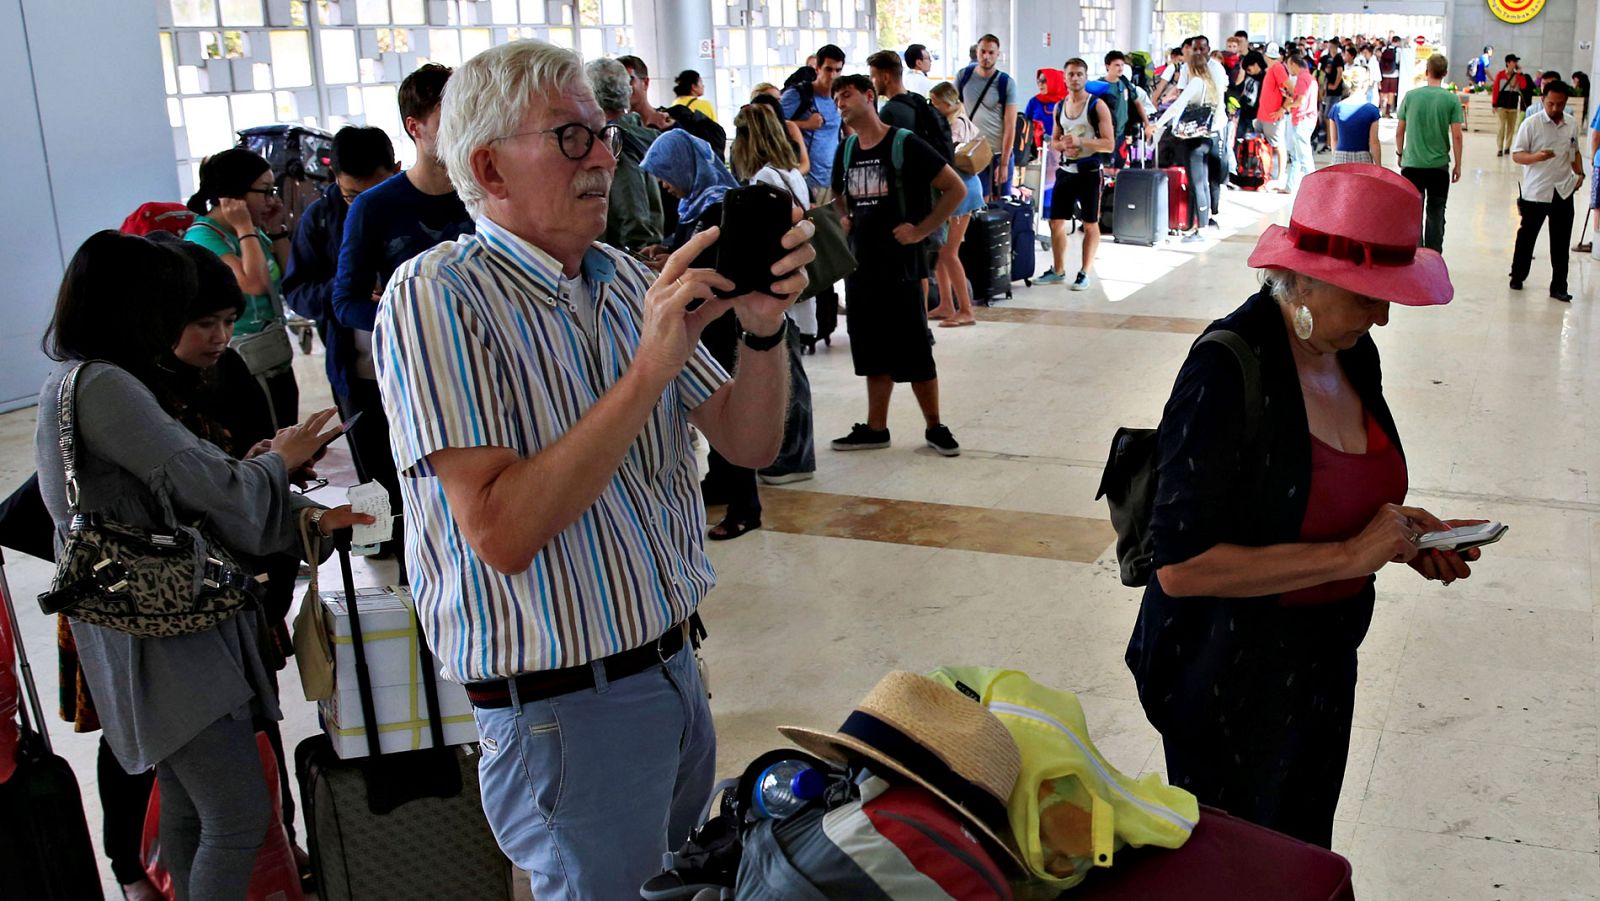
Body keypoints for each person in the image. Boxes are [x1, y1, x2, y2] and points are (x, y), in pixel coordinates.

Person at [372, 40, 812, 897]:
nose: (608, 155)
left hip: (673, 672)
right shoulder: (436, 296)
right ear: (488, 165)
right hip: (565, 711)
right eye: (573, 137)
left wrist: (761, 328)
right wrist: (647, 368)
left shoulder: (615, 279)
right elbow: (500, 530)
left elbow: (749, 444)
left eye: (606, 132)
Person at [1127, 163, 1476, 850]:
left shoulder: (1352, 353)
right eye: (1370, 296)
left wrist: (1400, 533)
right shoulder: (1226, 369)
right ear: (1305, 278)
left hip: (1321, 669)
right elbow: (1182, 566)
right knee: (1242, 870)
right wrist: (1349, 555)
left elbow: (1330, 486)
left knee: (1305, 851)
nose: (1382, 314)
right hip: (1227, 681)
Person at [35, 231, 370, 901]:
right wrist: (280, 456)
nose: (194, 325)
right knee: (238, 816)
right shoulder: (106, 386)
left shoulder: (76, 384)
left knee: (191, 813)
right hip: (168, 640)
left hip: (143, 634)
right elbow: (209, 485)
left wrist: (275, 483)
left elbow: (192, 484)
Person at [332, 63, 474, 557]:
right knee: (427, 522)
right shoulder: (373, 207)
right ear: (415, 126)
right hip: (413, 384)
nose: (463, 124)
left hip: (485, 376)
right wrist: (408, 313)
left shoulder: (487, 193)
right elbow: (345, 301)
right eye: (448, 116)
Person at [827, 74, 965, 456]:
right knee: (870, 347)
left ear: (870, 97)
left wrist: (922, 230)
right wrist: (844, 217)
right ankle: (876, 427)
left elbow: (956, 188)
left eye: (848, 94)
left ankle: (935, 425)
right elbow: (838, 194)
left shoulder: (904, 144)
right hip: (861, 265)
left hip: (901, 266)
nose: (840, 101)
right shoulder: (848, 149)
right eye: (836, 96)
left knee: (914, 345)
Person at [641, 130, 768, 539]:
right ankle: (720, 482)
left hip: (720, 325)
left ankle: (745, 507)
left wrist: (670, 271)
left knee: (727, 412)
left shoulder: (717, 208)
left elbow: (716, 268)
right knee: (708, 408)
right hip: (704, 326)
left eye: (666, 175)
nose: (664, 184)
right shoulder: (697, 205)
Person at [282, 126, 400, 450]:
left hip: (419, 369)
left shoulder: (417, 213)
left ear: (397, 170)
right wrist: (348, 286)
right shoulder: (319, 219)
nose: (364, 208)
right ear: (334, 177)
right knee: (375, 479)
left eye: (375, 194)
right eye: (352, 197)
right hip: (357, 376)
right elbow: (297, 291)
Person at [729, 103, 819, 486]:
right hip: (794, 286)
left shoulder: (765, 177)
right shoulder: (790, 172)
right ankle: (796, 454)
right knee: (793, 371)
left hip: (779, 288)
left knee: (789, 375)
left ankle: (791, 457)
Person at [182, 147, 298, 429]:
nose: (271, 200)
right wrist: (245, 226)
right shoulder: (203, 237)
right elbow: (255, 284)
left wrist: (274, 228)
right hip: (245, 363)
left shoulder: (251, 232)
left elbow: (288, 276)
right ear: (235, 194)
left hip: (274, 355)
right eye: (265, 191)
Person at [1039, 58, 1115, 284]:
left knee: (1090, 222)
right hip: (1066, 169)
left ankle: (1084, 272)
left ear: (1086, 77)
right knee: (1055, 221)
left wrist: (1081, 142)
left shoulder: (1096, 105)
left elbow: (1109, 143)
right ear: (1064, 78)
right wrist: (1062, 145)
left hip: (1089, 171)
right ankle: (1059, 269)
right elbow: (1054, 139)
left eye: (1079, 74)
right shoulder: (1060, 107)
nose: (1075, 78)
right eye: (1071, 74)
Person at [1510, 81, 1587, 302]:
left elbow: (1574, 152)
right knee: (1527, 236)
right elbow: (1517, 155)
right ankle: (1518, 275)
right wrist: (1537, 157)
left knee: (1561, 242)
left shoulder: (1571, 124)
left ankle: (1559, 286)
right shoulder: (1531, 124)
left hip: (1563, 190)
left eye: (1560, 105)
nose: (1555, 109)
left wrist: (1579, 174)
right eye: (1551, 103)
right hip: (1536, 191)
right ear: (1543, 99)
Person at [588, 57, 665, 252]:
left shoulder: (615, 141)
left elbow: (632, 210)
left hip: (626, 256)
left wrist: (634, 255)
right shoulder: (640, 134)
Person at [926, 81, 984, 327]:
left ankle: (966, 309)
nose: (932, 107)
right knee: (941, 252)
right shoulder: (957, 122)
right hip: (960, 189)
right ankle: (947, 304)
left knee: (949, 252)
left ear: (947, 104)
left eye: (935, 103)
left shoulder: (956, 126)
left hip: (962, 191)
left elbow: (946, 159)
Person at [1154, 48, 1227, 239]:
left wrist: (1157, 124)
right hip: (1208, 137)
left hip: (1193, 140)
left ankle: (1200, 228)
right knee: (1203, 182)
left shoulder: (1196, 82)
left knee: (1197, 183)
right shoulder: (1211, 84)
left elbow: (1178, 105)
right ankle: (1202, 223)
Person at [1395, 53, 1464, 253]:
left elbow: (1400, 131)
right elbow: (1457, 136)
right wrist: (1458, 164)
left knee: (1413, 212)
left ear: (1426, 72)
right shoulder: (1451, 99)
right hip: (1438, 166)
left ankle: (1415, 253)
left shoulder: (1411, 96)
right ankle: (1433, 254)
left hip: (1412, 164)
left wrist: (1400, 153)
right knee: (1436, 211)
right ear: (1445, 73)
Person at [957, 34, 1020, 199]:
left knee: (1001, 203)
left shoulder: (1006, 83)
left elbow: (1010, 125)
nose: (986, 57)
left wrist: (1005, 163)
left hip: (998, 153)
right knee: (978, 202)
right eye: (983, 51)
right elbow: (954, 110)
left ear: (998, 54)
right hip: (973, 152)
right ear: (976, 52)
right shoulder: (963, 76)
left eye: (991, 53)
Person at [782, 44, 845, 202]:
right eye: (828, 69)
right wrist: (805, 125)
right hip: (806, 179)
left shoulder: (838, 97)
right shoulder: (799, 94)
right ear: (817, 69)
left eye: (838, 70)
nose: (833, 76)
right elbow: (772, 125)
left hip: (832, 179)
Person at [1102, 51, 1153, 163]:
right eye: (1116, 65)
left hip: (1122, 134)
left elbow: (1138, 103)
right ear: (1107, 66)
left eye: (1122, 65)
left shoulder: (1126, 84)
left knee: (1120, 167)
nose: (1120, 68)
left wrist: (1147, 124)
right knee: (1106, 167)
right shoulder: (1099, 85)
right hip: (1104, 135)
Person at [1282, 47, 1320, 194]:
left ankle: (1312, 187)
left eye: (1288, 66)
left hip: (1302, 119)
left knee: (1304, 156)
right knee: (1300, 154)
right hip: (1306, 119)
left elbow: (1301, 101)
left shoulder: (1302, 78)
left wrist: (1287, 107)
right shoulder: (1309, 78)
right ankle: (1293, 185)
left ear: (1294, 64)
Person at [751, 83, 810, 176]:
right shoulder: (749, 130)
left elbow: (805, 163)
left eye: (778, 100)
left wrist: (790, 178)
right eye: (769, 100)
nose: (775, 104)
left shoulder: (790, 127)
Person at [1255, 42, 1292, 190]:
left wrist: (1283, 109)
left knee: (1278, 146)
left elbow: (1291, 89)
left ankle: (1280, 176)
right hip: (1266, 115)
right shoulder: (1273, 68)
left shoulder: (1277, 68)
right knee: (1270, 147)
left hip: (1272, 116)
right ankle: (1270, 175)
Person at [1328, 66, 1382, 165]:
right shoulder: (1372, 110)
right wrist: (1379, 165)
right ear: (1364, 84)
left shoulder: (1336, 109)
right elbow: (1374, 142)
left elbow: (1334, 139)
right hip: (1363, 157)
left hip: (1340, 156)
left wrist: (1335, 157)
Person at [617, 55, 673, 130]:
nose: (622, 87)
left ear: (645, 83)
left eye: (628, 80)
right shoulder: (616, 129)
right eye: (617, 82)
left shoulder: (671, 120)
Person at [1491, 55, 1533, 157]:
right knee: (1501, 127)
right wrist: (1494, 104)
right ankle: (1500, 148)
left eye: (1516, 62)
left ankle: (1507, 147)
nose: (1515, 63)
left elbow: (1523, 86)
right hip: (1501, 105)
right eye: (1514, 61)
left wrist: (1521, 74)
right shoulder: (1500, 75)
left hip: (1513, 106)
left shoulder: (1518, 76)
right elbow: (1495, 89)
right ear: (1508, 63)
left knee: (1511, 128)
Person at [1378, 36, 1402, 117]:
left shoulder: (1384, 49)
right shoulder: (1398, 50)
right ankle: (1388, 112)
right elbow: (1398, 62)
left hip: (1384, 74)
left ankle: (1382, 110)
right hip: (1394, 74)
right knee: (1391, 93)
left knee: (1383, 93)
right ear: (1398, 42)